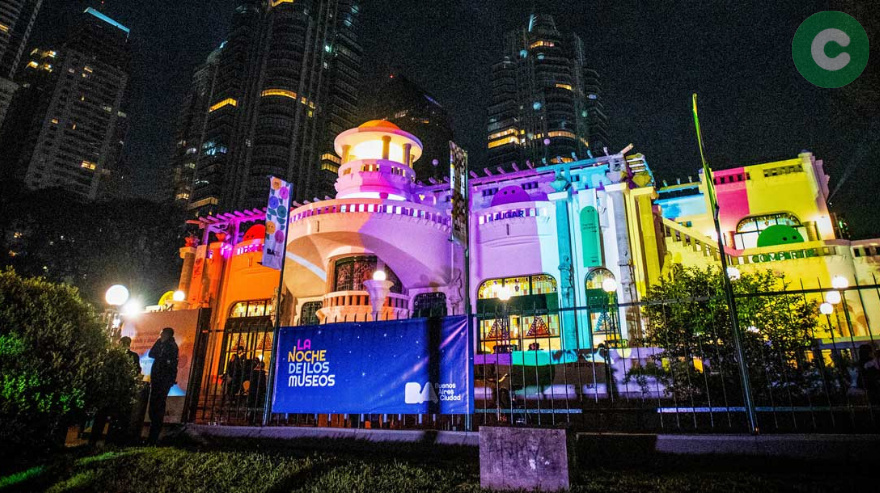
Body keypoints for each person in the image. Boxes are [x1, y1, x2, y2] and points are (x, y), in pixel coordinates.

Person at [147, 327, 178, 444]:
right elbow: (151, 354)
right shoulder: (160, 343)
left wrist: (170, 380)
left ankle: (154, 436)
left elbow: (171, 364)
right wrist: (159, 344)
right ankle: (152, 435)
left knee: (159, 406)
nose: (160, 335)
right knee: (153, 406)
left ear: (167, 334)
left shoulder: (172, 346)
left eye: (162, 334)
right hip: (156, 379)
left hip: (163, 380)